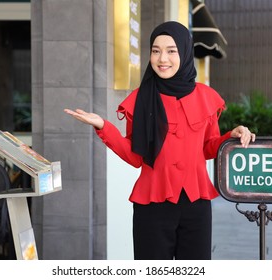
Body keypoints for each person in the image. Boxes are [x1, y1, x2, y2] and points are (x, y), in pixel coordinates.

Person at [64, 21, 255, 260]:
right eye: (156, 50)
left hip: (196, 205)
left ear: (185, 53)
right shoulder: (140, 99)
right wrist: (104, 127)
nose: (162, 58)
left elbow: (208, 148)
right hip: (153, 205)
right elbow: (136, 157)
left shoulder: (206, 97)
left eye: (171, 51)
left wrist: (230, 137)